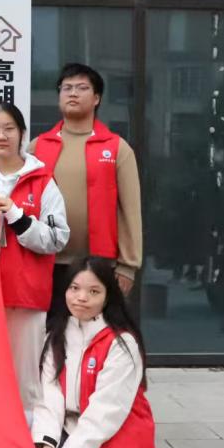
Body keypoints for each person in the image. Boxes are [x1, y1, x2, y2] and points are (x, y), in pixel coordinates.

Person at [13, 256, 157, 448]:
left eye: (93, 291)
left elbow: (104, 415)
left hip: (113, 435)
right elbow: (49, 398)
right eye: (74, 288)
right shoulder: (57, 334)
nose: (81, 297)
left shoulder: (121, 343)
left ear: (108, 296)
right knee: (15, 427)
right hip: (71, 427)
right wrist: (46, 445)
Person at [0, 103, 69, 433]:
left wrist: (17, 216)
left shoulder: (42, 181)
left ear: (22, 134)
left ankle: (27, 444)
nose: (2, 136)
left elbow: (57, 238)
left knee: (26, 379)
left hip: (26, 296)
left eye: (9, 128)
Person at [31, 63, 142, 298]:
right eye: (66, 88)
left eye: (82, 88)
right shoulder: (37, 146)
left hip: (98, 265)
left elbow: (130, 210)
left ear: (96, 98)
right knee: (51, 322)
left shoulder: (117, 148)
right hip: (44, 261)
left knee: (93, 321)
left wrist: (128, 265)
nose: (73, 93)